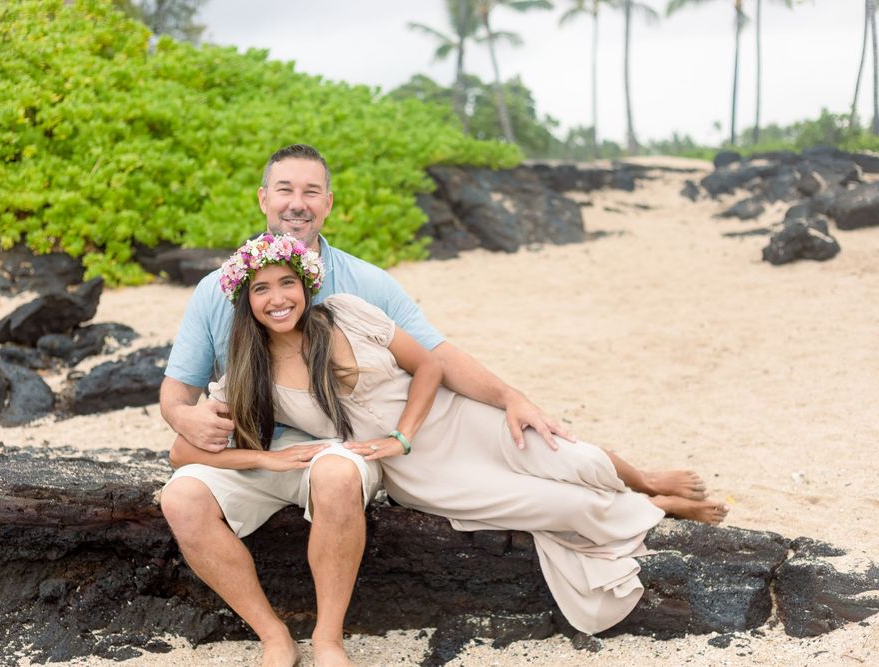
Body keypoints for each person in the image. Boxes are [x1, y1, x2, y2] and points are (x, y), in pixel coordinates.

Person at [186, 233, 728, 640]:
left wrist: (404, 432)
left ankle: (641, 478)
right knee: (549, 503)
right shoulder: (245, 374)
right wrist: (271, 461)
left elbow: (428, 368)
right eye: (261, 289)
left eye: (286, 283)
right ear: (245, 300)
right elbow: (184, 448)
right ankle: (653, 506)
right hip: (417, 471)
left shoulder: (346, 313)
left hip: (448, 419)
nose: (278, 298)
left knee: (568, 453)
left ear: (304, 285)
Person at [159, 144, 576, 667]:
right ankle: (273, 636)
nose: (297, 203)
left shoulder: (362, 285)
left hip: (344, 448)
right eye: (285, 189)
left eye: (311, 191)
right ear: (264, 198)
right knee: (180, 498)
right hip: (256, 452)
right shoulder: (215, 291)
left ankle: (329, 640)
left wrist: (511, 397)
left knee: (339, 472)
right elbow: (177, 395)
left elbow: (437, 356)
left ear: (328, 203)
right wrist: (185, 417)